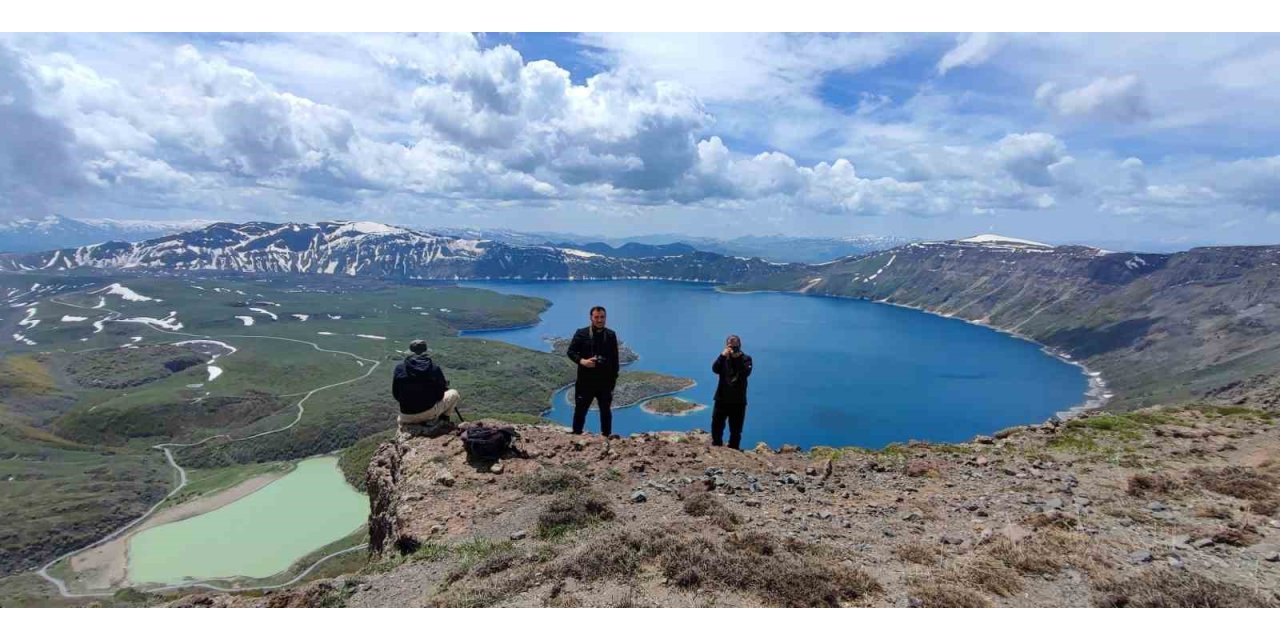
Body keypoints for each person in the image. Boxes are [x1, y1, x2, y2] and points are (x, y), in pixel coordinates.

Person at [566, 305, 620, 436]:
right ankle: (576, 435)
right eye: (596, 317)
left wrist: (613, 380)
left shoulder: (611, 335)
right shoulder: (581, 333)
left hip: (605, 383)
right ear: (591, 318)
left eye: (602, 317)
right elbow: (571, 352)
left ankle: (606, 437)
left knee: (606, 411)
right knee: (580, 410)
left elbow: (615, 360)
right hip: (585, 382)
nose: (600, 320)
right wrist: (583, 361)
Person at [392, 339, 460, 428]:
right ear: (425, 351)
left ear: (410, 352)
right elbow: (440, 396)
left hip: (406, 416)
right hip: (428, 413)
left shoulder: (399, 368)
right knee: (454, 394)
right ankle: (443, 421)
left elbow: (396, 394)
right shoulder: (434, 368)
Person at [711, 334, 753, 449]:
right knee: (716, 426)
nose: (734, 348)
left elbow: (745, 374)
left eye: (736, 346)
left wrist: (737, 358)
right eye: (731, 346)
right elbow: (715, 369)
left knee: (736, 430)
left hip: (738, 402)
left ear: (740, 345)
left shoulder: (746, 359)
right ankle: (716, 447)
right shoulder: (724, 358)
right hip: (721, 399)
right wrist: (722, 356)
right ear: (726, 346)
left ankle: (734, 450)